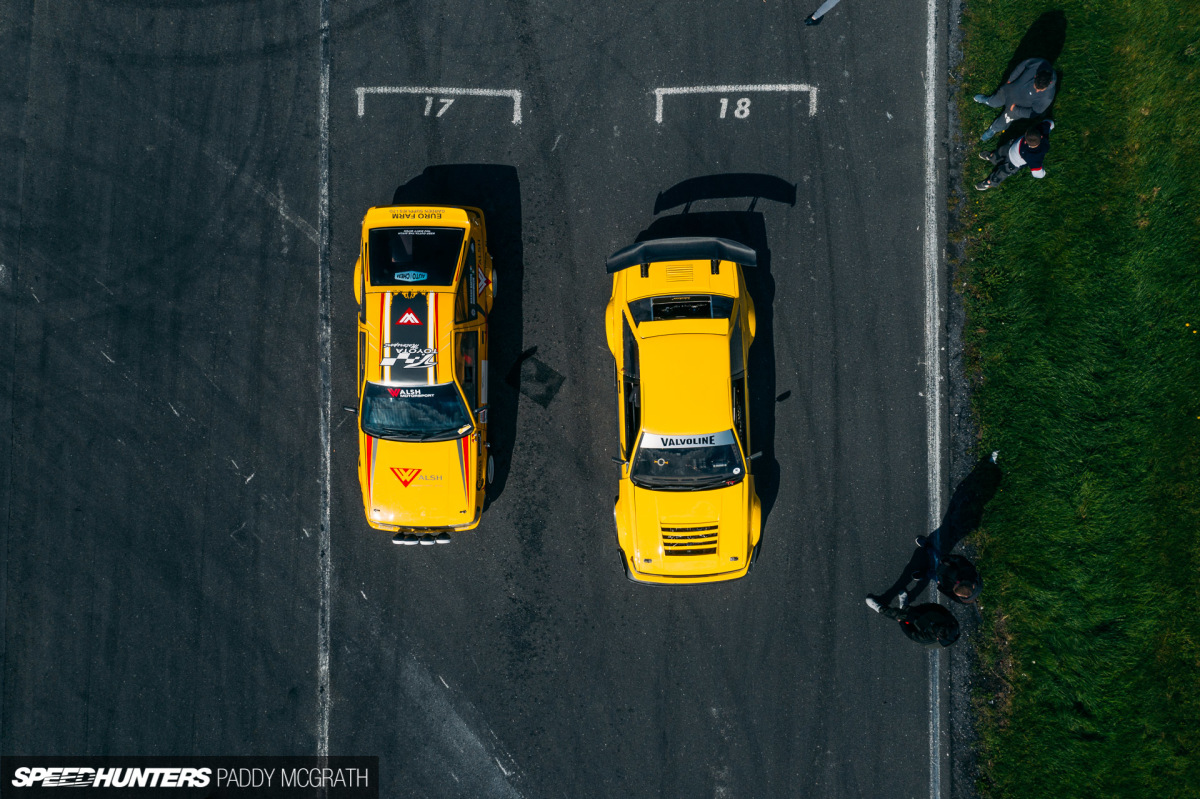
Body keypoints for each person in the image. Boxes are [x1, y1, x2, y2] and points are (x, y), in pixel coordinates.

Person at [974, 57, 1057, 141]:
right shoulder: (1038, 63)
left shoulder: (1048, 97)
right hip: (1008, 90)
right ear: (1036, 76)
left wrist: (1016, 110)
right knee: (994, 102)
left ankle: (993, 129)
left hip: (1016, 107)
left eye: (1040, 90)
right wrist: (1011, 79)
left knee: (1004, 120)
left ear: (1049, 83)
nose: (1036, 90)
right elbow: (1022, 65)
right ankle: (987, 100)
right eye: (1036, 86)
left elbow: (1034, 112)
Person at [975, 120, 1053, 191]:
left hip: (1013, 163)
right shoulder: (1042, 132)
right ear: (1041, 136)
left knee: (1000, 174)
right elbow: (1050, 123)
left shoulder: (1034, 157)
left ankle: (989, 182)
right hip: (1010, 147)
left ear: (1025, 141)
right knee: (998, 154)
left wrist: (1042, 172)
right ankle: (992, 157)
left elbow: (1038, 174)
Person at [868, 601, 961, 647]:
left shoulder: (927, 638)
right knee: (908, 611)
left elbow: (912, 634)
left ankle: (879, 609)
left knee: (899, 615)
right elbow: (936, 607)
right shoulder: (945, 618)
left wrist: (903, 623)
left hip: (917, 622)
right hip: (924, 612)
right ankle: (905, 606)